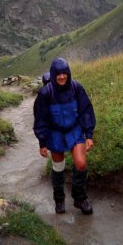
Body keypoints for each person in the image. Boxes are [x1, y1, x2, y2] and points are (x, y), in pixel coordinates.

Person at [33, 57, 96, 214]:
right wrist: (42, 143)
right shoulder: (46, 93)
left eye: (64, 73)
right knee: (58, 167)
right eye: (58, 74)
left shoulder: (76, 88)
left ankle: (79, 198)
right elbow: (40, 118)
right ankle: (59, 199)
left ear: (68, 73)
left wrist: (88, 135)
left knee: (81, 164)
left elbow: (86, 110)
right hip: (55, 133)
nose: (61, 77)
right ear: (53, 74)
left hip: (74, 130)